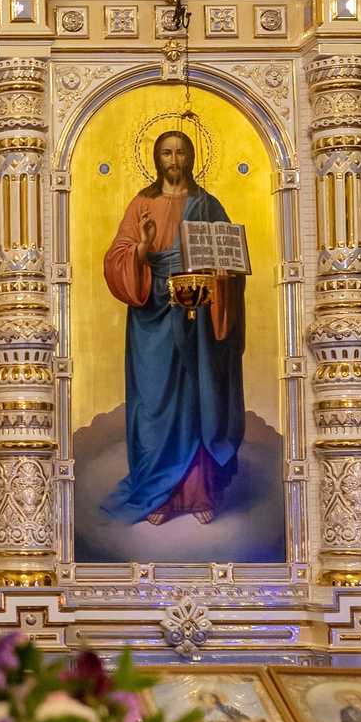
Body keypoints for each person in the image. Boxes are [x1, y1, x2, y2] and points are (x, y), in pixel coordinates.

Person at [99, 129, 247, 527]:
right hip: (152, 315)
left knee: (198, 399)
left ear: (193, 157)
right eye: (166, 152)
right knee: (155, 403)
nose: (174, 160)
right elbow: (117, 258)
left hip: (197, 311)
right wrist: (143, 247)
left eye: (181, 152)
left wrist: (222, 275)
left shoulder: (208, 204)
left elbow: (229, 259)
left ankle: (198, 493)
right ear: (155, 158)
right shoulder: (142, 204)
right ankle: (156, 493)